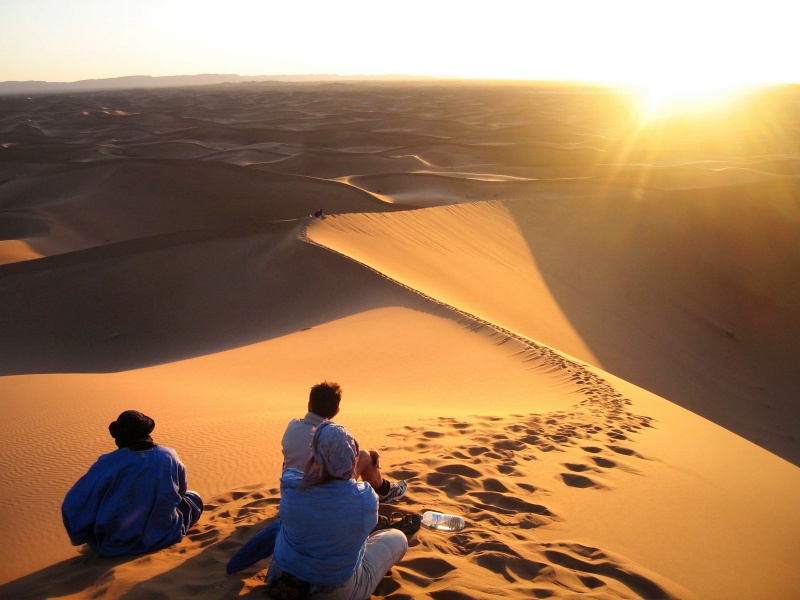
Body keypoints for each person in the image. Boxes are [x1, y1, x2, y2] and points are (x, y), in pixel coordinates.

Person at [267, 421, 407, 599]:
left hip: (283, 580)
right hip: (335, 591)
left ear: (316, 456)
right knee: (398, 538)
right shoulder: (366, 498)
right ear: (352, 456)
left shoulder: (291, 488)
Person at [61, 410, 203, 557]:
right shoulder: (169, 455)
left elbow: (75, 503)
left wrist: (81, 534)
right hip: (166, 534)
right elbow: (180, 492)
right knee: (193, 497)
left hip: (114, 544)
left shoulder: (108, 462)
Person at [282, 381, 407, 503]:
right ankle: (385, 490)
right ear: (337, 411)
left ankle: (384, 490)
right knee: (364, 456)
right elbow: (345, 467)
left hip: (290, 496)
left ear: (309, 405)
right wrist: (366, 457)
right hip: (323, 499)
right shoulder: (334, 435)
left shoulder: (292, 426)